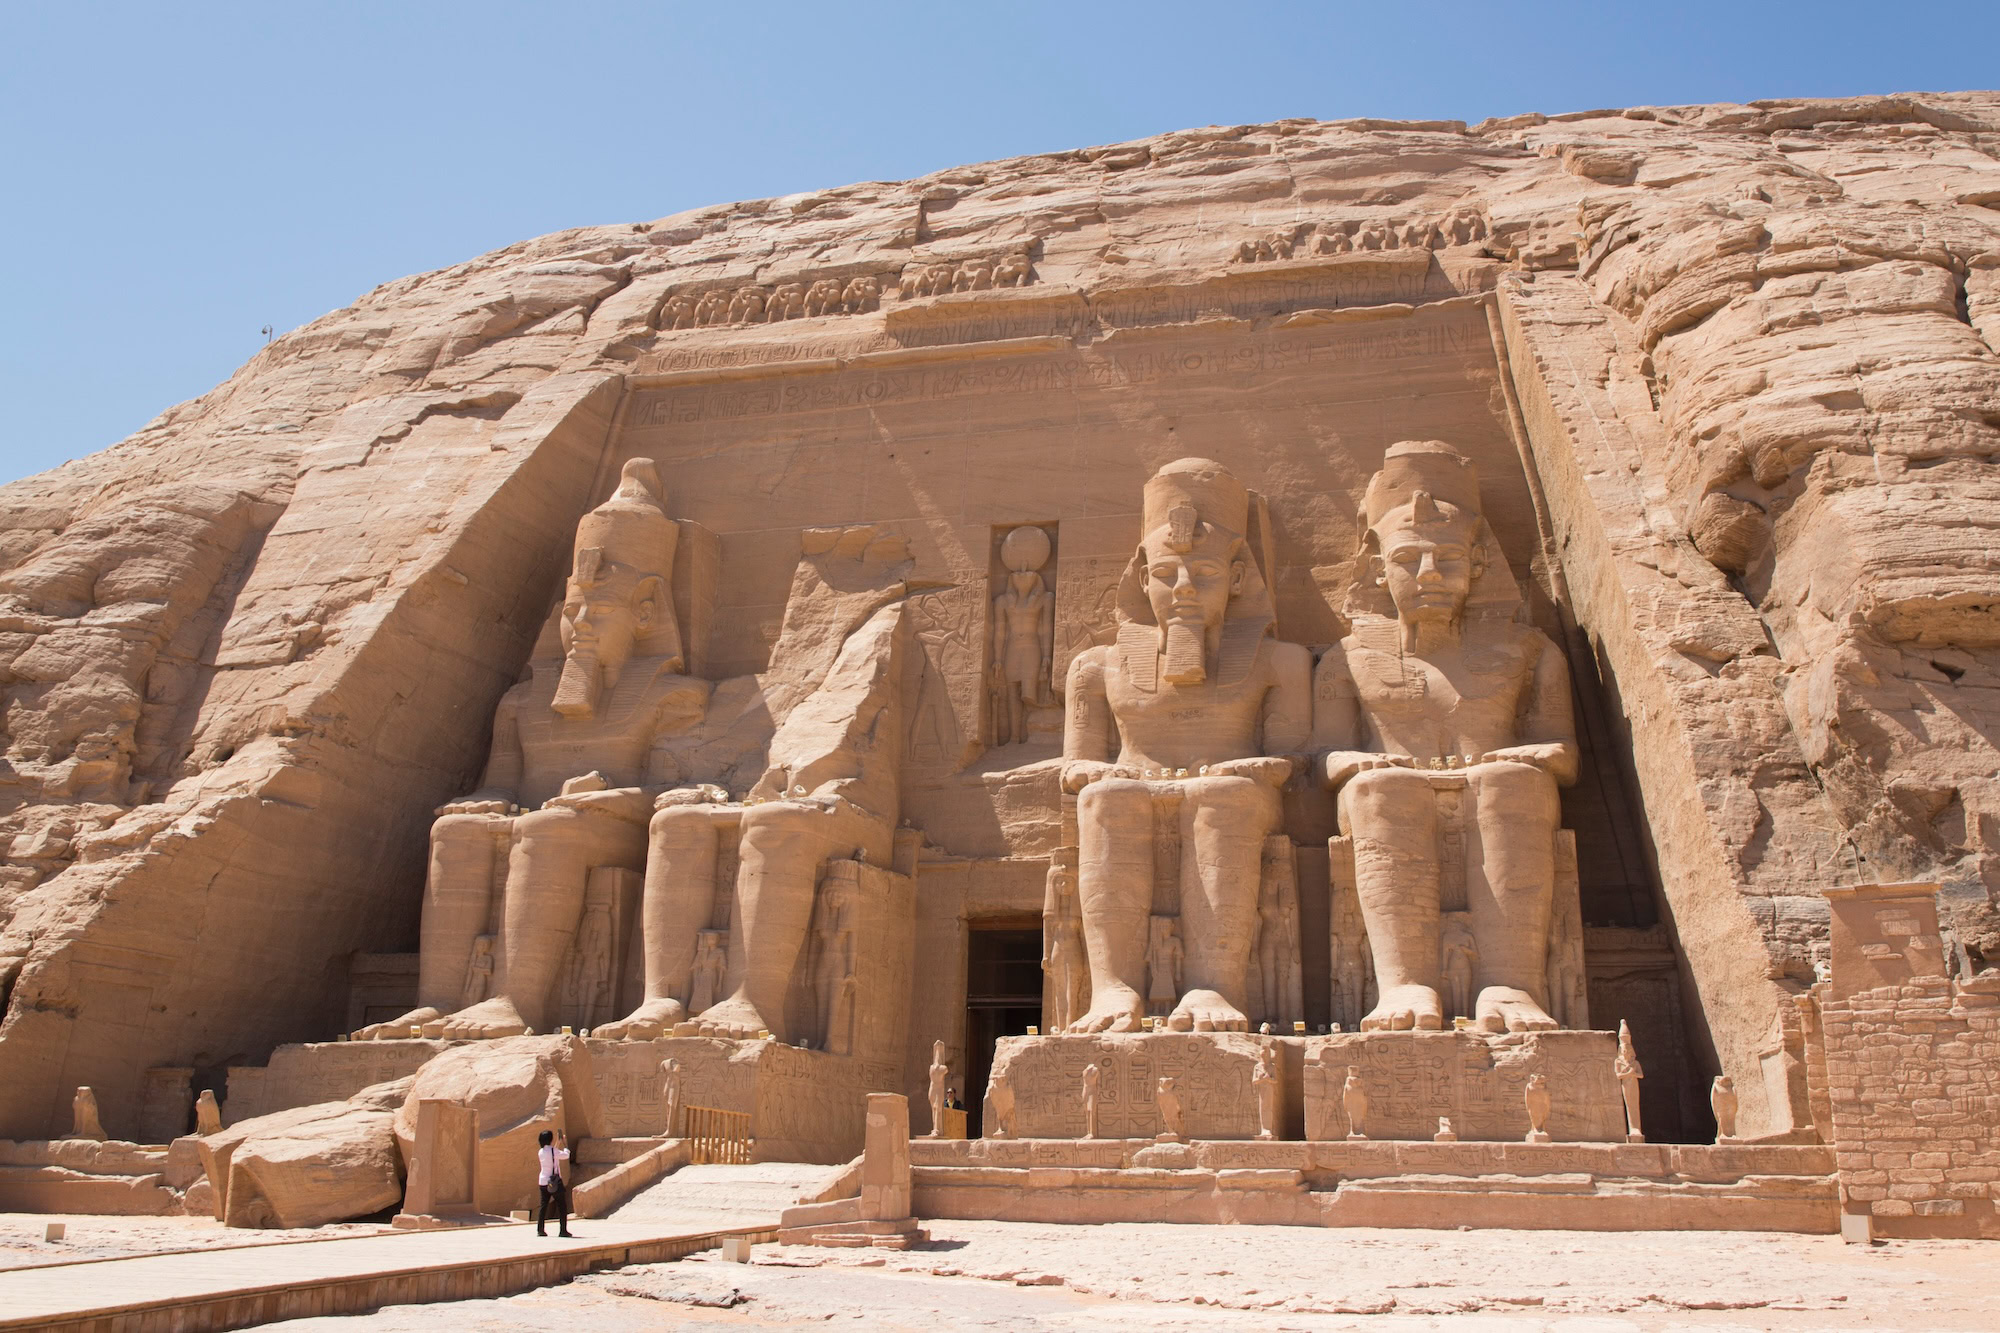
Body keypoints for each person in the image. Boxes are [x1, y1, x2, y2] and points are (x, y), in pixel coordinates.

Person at [536, 1128, 573, 1238]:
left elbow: (552, 1154)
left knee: (543, 1206)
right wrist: (565, 1144)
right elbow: (565, 1155)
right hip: (555, 1182)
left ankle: (540, 1229)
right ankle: (563, 1230)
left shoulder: (541, 1152)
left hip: (543, 1181)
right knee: (562, 1206)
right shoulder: (553, 1151)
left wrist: (558, 1142)